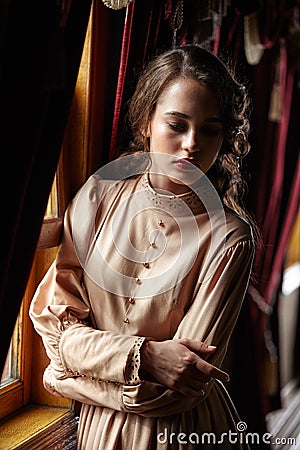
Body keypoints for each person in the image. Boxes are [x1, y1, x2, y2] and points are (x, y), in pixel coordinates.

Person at [29, 45, 257, 449]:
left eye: (209, 130)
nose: (191, 144)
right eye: (177, 124)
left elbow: (175, 389)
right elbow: (53, 328)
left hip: (185, 434)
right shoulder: (98, 196)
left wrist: (66, 375)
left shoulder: (230, 238)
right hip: (96, 432)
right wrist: (146, 357)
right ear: (146, 122)